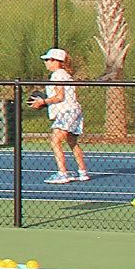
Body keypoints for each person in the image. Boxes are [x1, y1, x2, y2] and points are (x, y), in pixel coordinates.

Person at [28, 47, 89, 184]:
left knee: (55, 141)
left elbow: (59, 96)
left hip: (67, 112)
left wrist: (42, 101)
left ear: (56, 61)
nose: (46, 63)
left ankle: (62, 173)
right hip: (72, 111)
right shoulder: (64, 74)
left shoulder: (58, 75)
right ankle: (82, 172)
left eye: (48, 60)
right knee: (72, 142)